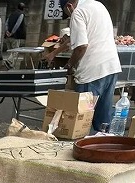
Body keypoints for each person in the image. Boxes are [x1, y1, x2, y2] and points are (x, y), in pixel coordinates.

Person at [46, 0, 121, 133]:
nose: (70, 17)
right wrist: (54, 53)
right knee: (103, 119)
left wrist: (70, 65)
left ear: (69, 6)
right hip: (111, 66)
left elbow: (81, 46)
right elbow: (74, 39)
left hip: (91, 71)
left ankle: (81, 142)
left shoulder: (77, 12)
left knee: (80, 121)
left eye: (68, 14)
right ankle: (105, 142)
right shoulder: (98, 5)